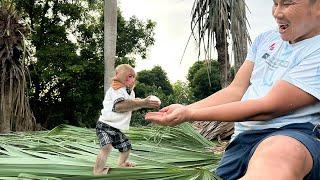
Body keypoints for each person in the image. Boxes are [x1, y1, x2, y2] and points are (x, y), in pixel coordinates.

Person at [145, 0, 320, 179]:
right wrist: (185, 108)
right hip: (242, 140)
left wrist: (190, 114)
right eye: (275, 3)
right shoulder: (266, 40)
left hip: (292, 134)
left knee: (279, 155)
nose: (277, 13)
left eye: (288, 4)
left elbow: (268, 108)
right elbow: (236, 91)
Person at [93, 64, 160, 175]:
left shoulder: (130, 92)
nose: (132, 80)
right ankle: (98, 171)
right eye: (129, 76)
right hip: (105, 125)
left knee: (126, 146)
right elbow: (119, 107)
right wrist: (143, 102)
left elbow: (131, 105)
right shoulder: (116, 89)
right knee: (106, 147)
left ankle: (122, 163)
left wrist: (145, 104)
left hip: (116, 128)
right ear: (118, 75)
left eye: (133, 77)